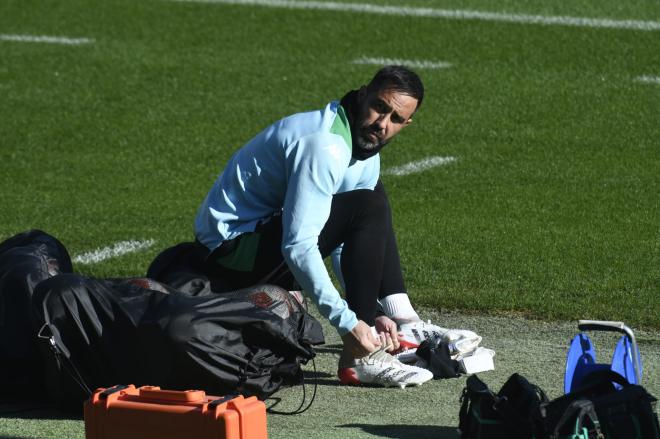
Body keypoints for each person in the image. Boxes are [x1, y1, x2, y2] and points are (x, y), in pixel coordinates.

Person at [194, 65, 446, 388]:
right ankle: (360, 358)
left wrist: (369, 312)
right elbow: (297, 245)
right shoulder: (325, 146)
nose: (382, 124)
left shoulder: (363, 150)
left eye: (395, 119)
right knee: (370, 206)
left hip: (255, 238)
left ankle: (387, 326)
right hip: (228, 252)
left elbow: (342, 241)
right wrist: (349, 325)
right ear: (364, 92)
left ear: (406, 123)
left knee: (370, 202)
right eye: (379, 108)